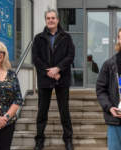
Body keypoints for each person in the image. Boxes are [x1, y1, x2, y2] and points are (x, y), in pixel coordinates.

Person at [32, 9, 75, 150]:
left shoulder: (66, 37)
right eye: (48, 18)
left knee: (64, 112)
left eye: (53, 18)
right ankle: (39, 140)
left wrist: (58, 69)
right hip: (45, 80)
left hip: (62, 79)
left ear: (57, 20)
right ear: (46, 20)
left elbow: (70, 56)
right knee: (42, 112)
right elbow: (36, 58)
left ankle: (68, 139)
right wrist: (50, 73)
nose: (50, 20)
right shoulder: (38, 38)